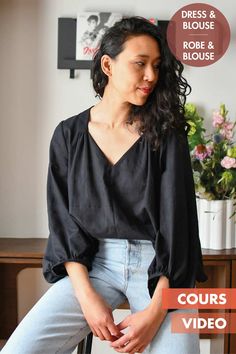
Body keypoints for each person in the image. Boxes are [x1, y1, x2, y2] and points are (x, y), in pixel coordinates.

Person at [2, 16, 207, 354]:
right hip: (92, 264)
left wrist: (157, 312)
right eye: (140, 64)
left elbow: (178, 227)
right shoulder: (68, 135)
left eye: (156, 65)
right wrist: (87, 298)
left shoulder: (167, 135)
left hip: (162, 267)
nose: (151, 76)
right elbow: (64, 225)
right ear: (108, 65)